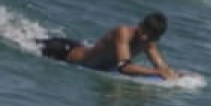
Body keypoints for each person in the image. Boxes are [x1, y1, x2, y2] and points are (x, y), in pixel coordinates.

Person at [37, 12, 179, 79]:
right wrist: (157, 73)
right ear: (140, 25)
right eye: (144, 33)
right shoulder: (123, 32)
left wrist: (177, 74)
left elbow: (162, 68)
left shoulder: (148, 44)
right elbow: (124, 67)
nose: (144, 38)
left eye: (151, 37)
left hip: (83, 53)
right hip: (63, 52)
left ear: (157, 38)